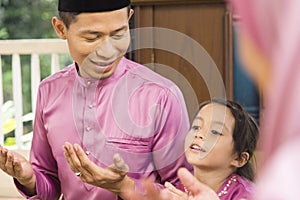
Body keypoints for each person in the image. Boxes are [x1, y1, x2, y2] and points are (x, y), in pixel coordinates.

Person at [0, 0, 192, 199]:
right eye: (92, 38)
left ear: (129, 20)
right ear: (60, 28)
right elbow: (50, 184)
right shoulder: (49, 91)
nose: (108, 51)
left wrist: (124, 186)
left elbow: (182, 191)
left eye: (118, 35)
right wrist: (29, 179)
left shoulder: (161, 95)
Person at [129, 99, 259, 200]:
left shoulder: (248, 195)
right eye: (196, 127)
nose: (199, 134)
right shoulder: (175, 191)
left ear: (239, 159)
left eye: (214, 131)